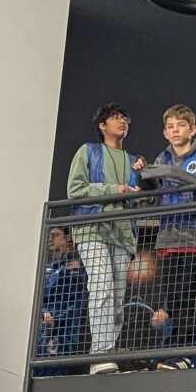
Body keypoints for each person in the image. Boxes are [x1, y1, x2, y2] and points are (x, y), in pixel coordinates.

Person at [67, 103, 144, 374]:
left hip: (122, 233)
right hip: (92, 229)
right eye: (115, 118)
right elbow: (75, 189)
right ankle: (100, 355)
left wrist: (142, 185)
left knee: (118, 297)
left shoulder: (134, 160)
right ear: (102, 125)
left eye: (125, 118)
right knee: (101, 287)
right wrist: (114, 189)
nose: (122, 122)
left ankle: (106, 352)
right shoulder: (89, 151)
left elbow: (142, 200)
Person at [147, 104, 196, 370]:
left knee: (191, 298)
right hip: (168, 239)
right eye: (171, 126)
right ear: (165, 132)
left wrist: (175, 175)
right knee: (174, 299)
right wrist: (145, 174)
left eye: (181, 125)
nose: (176, 130)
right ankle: (174, 352)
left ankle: (184, 355)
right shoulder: (161, 157)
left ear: (193, 129)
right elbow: (153, 191)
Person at [34, 227, 88, 377]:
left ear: (68, 238)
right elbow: (40, 294)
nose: (50, 239)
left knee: (55, 374)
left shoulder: (77, 264)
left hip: (65, 331)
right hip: (43, 331)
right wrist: (44, 313)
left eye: (55, 235)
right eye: (49, 235)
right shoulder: (45, 267)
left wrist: (57, 318)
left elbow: (80, 299)